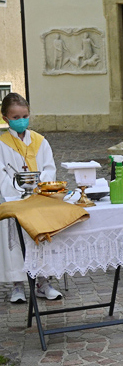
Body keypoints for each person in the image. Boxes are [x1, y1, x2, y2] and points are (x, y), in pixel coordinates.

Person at [0, 93, 62, 302]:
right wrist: (18, 192)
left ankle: (43, 282)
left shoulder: (39, 141)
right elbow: (1, 174)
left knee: (40, 240)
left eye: (25, 116)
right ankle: (17, 285)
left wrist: (37, 187)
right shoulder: (1, 143)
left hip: (38, 199)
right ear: (6, 118)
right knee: (15, 242)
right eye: (16, 117)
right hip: (14, 201)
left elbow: (49, 168)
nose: (21, 120)